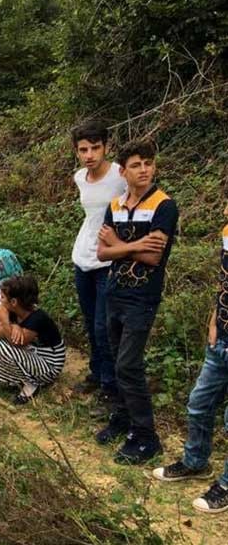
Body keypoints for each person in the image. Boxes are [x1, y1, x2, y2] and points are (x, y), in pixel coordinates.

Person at [95, 138, 179, 464]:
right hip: (114, 291)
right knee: (116, 360)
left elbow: (154, 256)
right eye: (136, 164)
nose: (144, 170)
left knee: (129, 365)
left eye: (148, 163)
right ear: (123, 170)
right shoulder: (115, 205)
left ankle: (147, 437)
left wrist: (118, 242)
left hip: (142, 297)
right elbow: (102, 252)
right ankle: (123, 418)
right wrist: (132, 246)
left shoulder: (163, 205)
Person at [152, 204, 228, 513]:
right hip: (221, 337)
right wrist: (214, 318)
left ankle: (225, 485)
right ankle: (195, 461)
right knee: (199, 404)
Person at [70, 120, 125, 411]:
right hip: (83, 256)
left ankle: (110, 387)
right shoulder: (80, 177)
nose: (89, 154)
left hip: (109, 259)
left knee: (105, 325)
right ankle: (96, 370)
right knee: (91, 320)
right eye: (83, 149)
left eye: (95, 148)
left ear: (106, 146)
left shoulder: (120, 175)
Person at [0, 276, 65, 404]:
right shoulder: (14, 311)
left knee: (5, 349)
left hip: (49, 365)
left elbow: (15, 342)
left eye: (3, 297)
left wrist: (5, 321)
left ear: (14, 302)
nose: (0, 300)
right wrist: (13, 325)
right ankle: (10, 378)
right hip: (33, 353)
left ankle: (32, 384)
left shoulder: (37, 318)